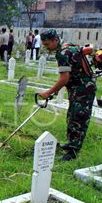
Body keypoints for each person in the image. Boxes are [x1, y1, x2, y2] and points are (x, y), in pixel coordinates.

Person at [38, 29, 96, 161]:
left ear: (56, 40)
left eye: (47, 44)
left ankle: (73, 152)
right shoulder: (70, 46)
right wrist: (56, 90)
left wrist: (48, 92)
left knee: (77, 118)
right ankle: (71, 144)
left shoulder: (62, 54)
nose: (46, 48)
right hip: (81, 87)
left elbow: (64, 78)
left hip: (82, 89)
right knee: (72, 116)